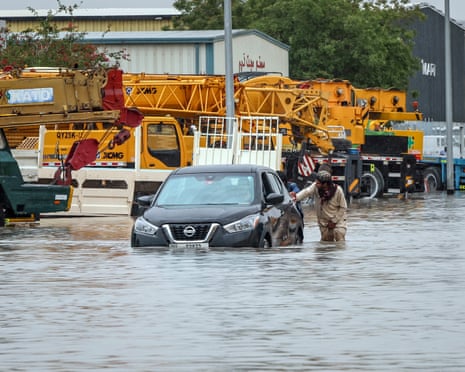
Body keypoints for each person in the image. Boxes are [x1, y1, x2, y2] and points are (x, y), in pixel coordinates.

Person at [290, 170, 347, 242]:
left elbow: (343, 207)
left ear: (325, 184)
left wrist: (334, 221)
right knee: (325, 243)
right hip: (324, 222)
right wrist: (296, 197)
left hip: (338, 221)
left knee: (339, 239)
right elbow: (306, 192)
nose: (316, 184)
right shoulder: (316, 187)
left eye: (318, 183)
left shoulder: (338, 191)